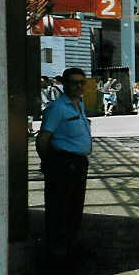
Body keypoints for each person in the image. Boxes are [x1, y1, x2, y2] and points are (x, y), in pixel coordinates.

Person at [35, 67, 92, 261]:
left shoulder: (79, 105)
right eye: (74, 83)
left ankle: (70, 245)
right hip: (63, 163)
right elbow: (43, 138)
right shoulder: (57, 108)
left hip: (79, 163)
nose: (79, 86)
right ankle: (56, 250)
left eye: (82, 82)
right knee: (59, 207)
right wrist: (48, 163)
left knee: (75, 207)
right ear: (65, 84)